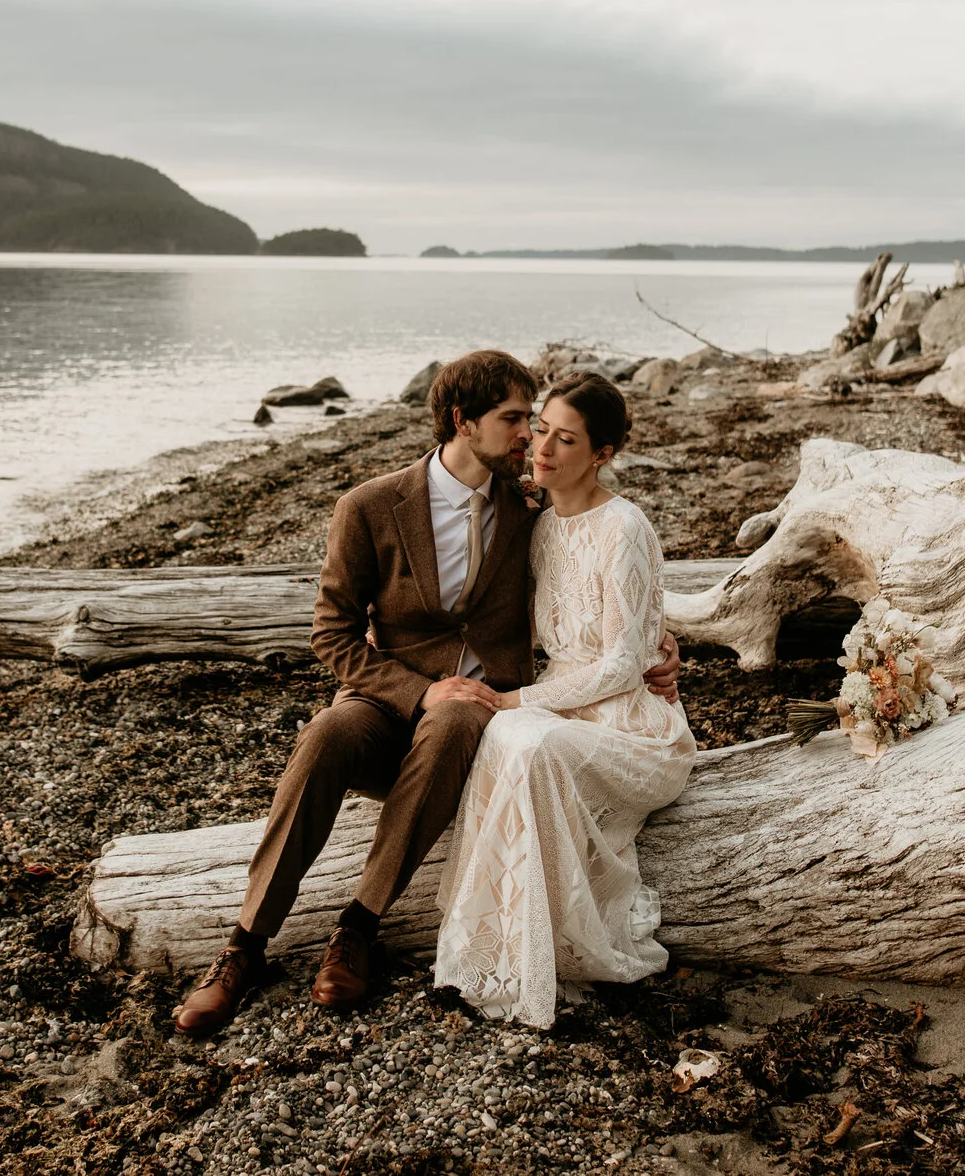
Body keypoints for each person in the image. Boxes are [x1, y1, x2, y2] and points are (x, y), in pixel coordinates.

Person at [172, 350, 681, 1037]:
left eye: (536, 421)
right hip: (389, 700)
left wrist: (661, 646)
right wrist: (419, 689)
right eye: (514, 420)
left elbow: (608, 574)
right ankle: (242, 946)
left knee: (453, 720)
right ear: (459, 421)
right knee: (324, 736)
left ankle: (358, 927)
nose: (529, 435)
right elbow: (332, 637)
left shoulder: (527, 506)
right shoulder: (371, 506)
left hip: (480, 715)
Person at [432, 371, 697, 1027]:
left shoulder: (624, 526)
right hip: (564, 704)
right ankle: (490, 951)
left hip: (635, 725)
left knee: (530, 735)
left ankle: (566, 947)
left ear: (601, 454)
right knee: (509, 736)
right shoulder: (540, 526)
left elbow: (621, 663)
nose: (543, 447)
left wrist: (515, 697)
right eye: (541, 429)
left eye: (566, 438)